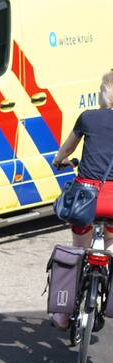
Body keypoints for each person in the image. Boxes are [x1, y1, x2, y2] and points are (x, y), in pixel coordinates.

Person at [50, 71, 113, 328]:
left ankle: (63, 314)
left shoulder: (87, 118)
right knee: (110, 237)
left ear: (103, 94)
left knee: (79, 248)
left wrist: (58, 160)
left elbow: (67, 149)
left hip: (88, 198)